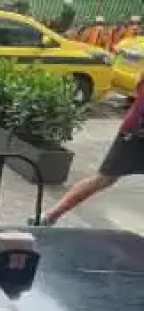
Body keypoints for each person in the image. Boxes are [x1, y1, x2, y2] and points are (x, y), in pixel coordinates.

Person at [35, 76, 144, 226]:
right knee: (104, 179)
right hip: (134, 135)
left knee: (104, 179)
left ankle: (49, 216)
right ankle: (49, 216)